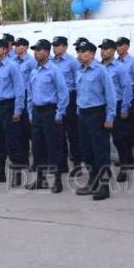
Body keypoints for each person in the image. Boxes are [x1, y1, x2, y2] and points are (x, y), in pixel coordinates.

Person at [74, 40, 117, 201]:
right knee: (87, 151)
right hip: (83, 114)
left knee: (100, 152)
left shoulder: (100, 71)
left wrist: (110, 116)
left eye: (83, 51)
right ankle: (93, 181)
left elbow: (110, 94)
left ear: (92, 54)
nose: (80, 54)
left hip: (97, 114)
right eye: (78, 52)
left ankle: (104, 186)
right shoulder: (80, 70)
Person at [27, 39, 69, 193]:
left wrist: (60, 112)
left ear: (46, 51)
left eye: (38, 50)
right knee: (38, 146)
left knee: (53, 146)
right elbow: (30, 93)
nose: (35, 53)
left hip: (50, 111)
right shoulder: (34, 71)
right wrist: (30, 111)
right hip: (37, 112)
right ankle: (41, 179)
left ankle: (57, 181)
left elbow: (63, 93)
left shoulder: (53, 70)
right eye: (35, 50)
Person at [0, 39, 26, 186]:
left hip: (8, 106)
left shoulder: (12, 66)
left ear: (5, 50)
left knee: (12, 141)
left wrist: (18, 109)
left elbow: (19, 89)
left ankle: (17, 175)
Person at [99, 39, 132, 182]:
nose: (102, 51)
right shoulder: (97, 67)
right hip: (101, 107)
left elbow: (127, 88)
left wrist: (124, 108)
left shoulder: (119, 68)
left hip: (116, 105)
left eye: (106, 49)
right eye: (101, 49)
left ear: (113, 51)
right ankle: (105, 169)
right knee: (101, 141)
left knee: (120, 139)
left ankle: (124, 168)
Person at [52, 36, 82, 171]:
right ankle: (62, 164)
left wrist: (78, 102)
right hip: (55, 99)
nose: (55, 48)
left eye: (58, 45)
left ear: (65, 47)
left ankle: (77, 163)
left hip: (70, 98)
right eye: (54, 45)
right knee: (58, 134)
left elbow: (78, 82)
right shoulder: (51, 62)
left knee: (72, 133)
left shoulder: (72, 62)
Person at [115, 37, 134, 168]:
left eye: (121, 45)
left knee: (133, 132)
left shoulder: (133, 62)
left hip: (131, 100)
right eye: (117, 45)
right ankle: (126, 158)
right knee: (121, 133)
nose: (118, 48)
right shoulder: (115, 63)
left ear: (127, 46)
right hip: (119, 100)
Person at [12, 38, 36, 167]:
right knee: (19, 130)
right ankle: (23, 159)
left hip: (28, 95)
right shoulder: (12, 61)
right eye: (15, 45)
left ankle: (37, 160)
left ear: (25, 47)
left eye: (19, 45)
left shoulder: (31, 62)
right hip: (17, 96)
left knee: (30, 130)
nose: (16, 48)